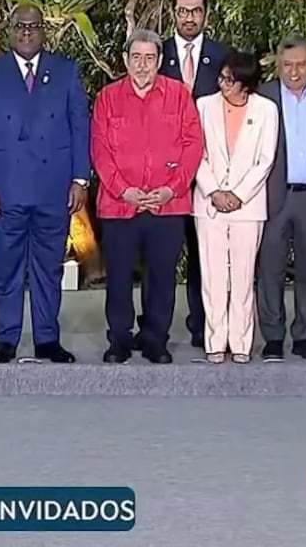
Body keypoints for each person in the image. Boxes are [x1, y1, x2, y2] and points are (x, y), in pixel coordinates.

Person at [0, 6, 88, 363]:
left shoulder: (66, 72)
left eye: (34, 26)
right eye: (20, 27)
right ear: (10, 30)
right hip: (5, 191)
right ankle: (6, 339)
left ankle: (47, 339)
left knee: (48, 268)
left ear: (43, 31)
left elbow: (80, 127)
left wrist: (80, 178)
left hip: (53, 189)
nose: (26, 33)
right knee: (7, 268)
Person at [91, 29, 202, 364]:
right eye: (136, 58)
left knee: (162, 276)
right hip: (119, 204)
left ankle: (155, 339)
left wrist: (171, 188)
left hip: (166, 205)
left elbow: (192, 145)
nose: (142, 65)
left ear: (160, 61)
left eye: (149, 58)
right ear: (126, 61)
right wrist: (124, 190)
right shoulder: (108, 97)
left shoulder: (179, 96)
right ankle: (120, 340)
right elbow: (100, 149)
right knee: (119, 277)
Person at [192, 52, 278, 363]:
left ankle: (241, 342)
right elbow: (196, 153)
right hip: (209, 203)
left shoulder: (266, 110)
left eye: (230, 80)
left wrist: (239, 194)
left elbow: (264, 160)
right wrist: (214, 190)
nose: (223, 84)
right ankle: (215, 341)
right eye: (221, 78)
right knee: (213, 276)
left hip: (249, 206)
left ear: (246, 83)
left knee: (242, 277)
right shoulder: (204, 106)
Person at [256, 36, 306, 362]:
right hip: (275, 194)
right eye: (287, 65)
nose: (294, 71)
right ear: (278, 66)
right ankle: (273, 337)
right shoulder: (263, 97)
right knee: (270, 269)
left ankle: (304, 335)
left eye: (301, 64)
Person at [159, 0, 229, 349]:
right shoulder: (157, 54)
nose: (189, 17)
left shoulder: (221, 56)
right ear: (173, 13)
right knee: (162, 254)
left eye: (196, 11)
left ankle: (203, 325)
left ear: (206, 14)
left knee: (204, 254)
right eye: (183, 11)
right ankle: (156, 328)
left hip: (209, 171)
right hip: (163, 173)